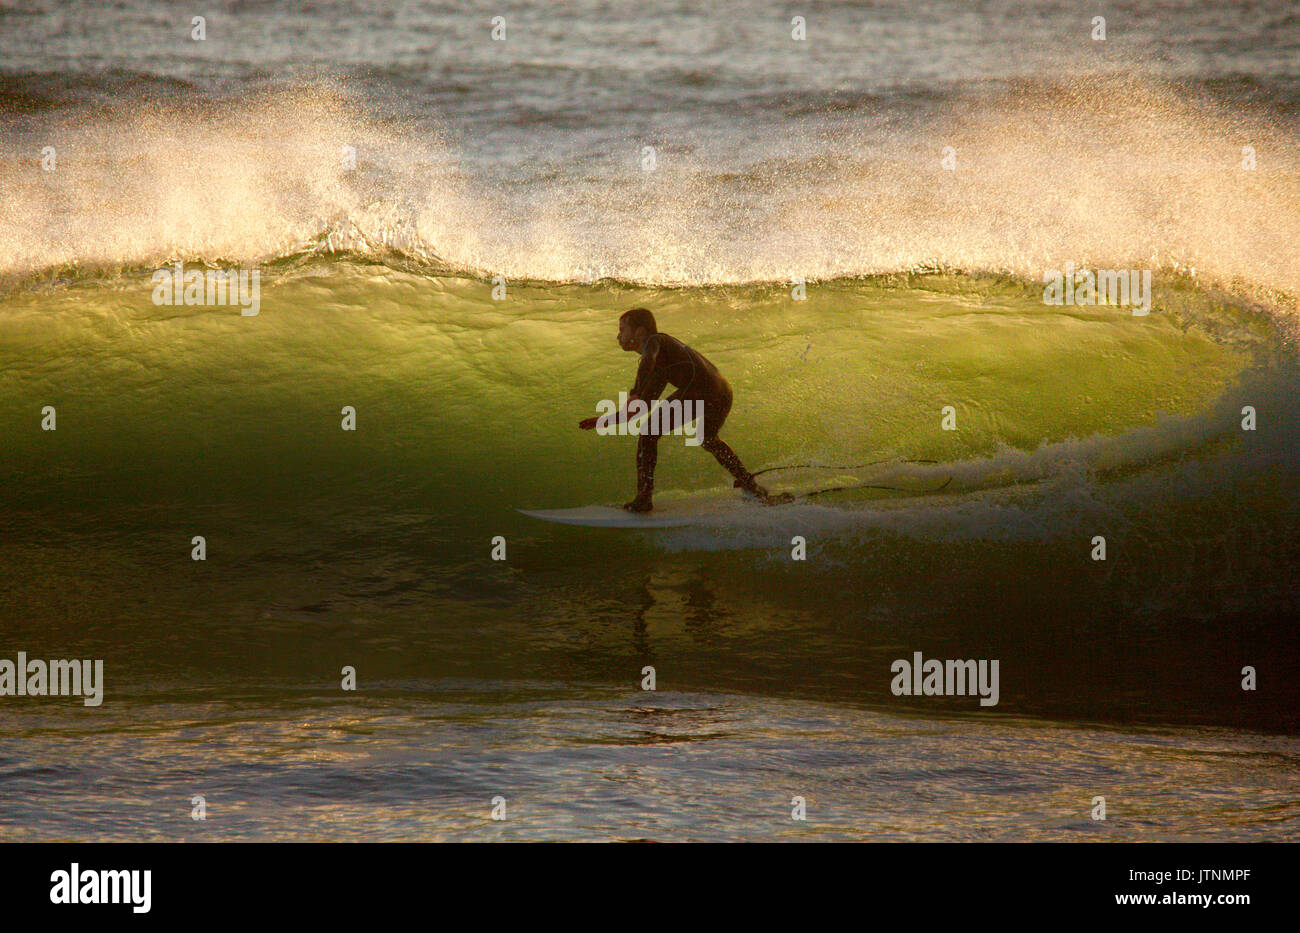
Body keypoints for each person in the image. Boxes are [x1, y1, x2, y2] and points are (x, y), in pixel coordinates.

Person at [578, 307, 786, 512]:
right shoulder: (661, 364)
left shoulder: (654, 341)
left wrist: (635, 391)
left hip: (703, 390)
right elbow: (640, 407)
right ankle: (750, 485)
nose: (618, 335)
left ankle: (643, 498)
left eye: (623, 329)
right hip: (722, 392)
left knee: (649, 433)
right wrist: (604, 421)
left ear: (640, 331)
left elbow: (647, 363)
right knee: (707, 439)